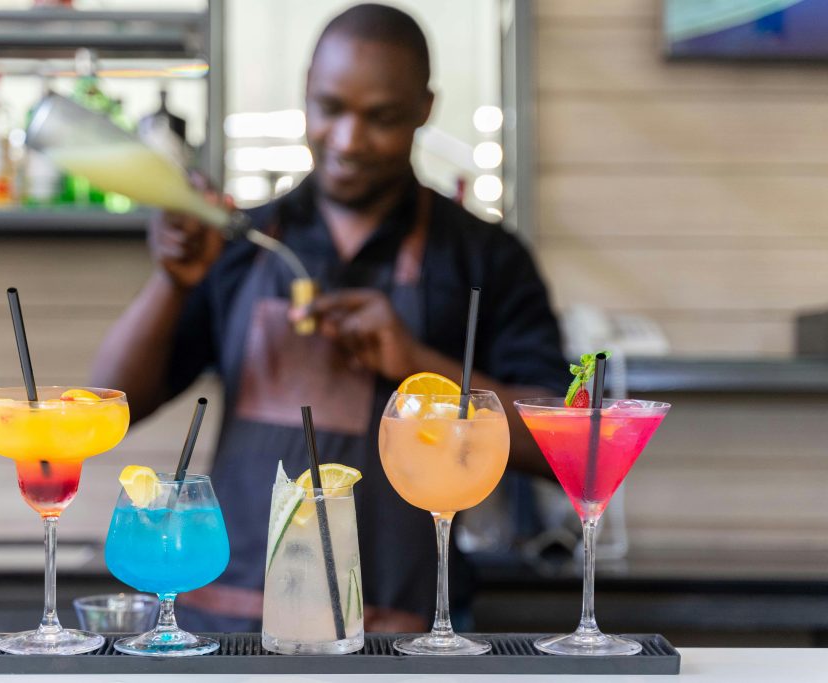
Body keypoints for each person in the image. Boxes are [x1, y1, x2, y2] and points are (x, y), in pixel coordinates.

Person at [92, 3, 568, 633]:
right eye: (330, 108)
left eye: (382, 118)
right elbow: (112, 405)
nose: (347, 139)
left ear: (425, 109)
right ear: (305, 98)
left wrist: (415, 365)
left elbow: (566, 449)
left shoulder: (484, 257)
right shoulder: (241, 243)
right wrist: (170, 284)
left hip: (405, 635)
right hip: (230, 626)